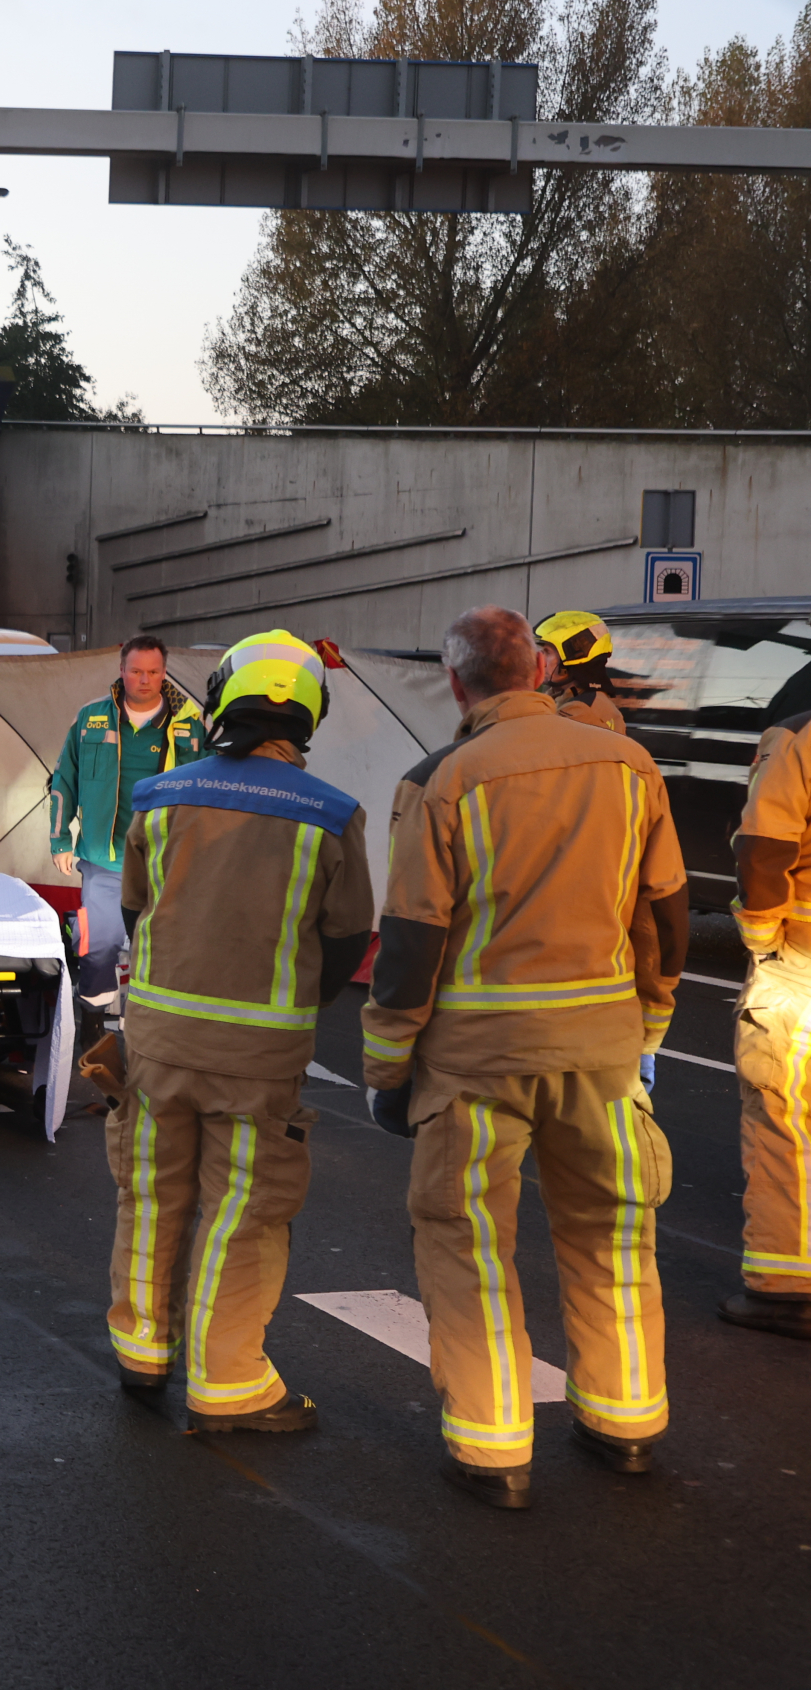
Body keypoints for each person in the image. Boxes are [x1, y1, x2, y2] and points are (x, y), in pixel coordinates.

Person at [362, 606, 689, 1510]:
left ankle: (495, 1446)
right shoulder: (630, 767)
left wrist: (389, 1070)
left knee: (468, 1246)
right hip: (601, 1050)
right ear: (540, 672)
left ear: (459, 683)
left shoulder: (446, 781)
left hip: (476, 1061)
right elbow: (663, 915)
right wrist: (649, 1026)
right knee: (614, 1234)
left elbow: (412, 948)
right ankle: (625, 1423)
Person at [105, 631, 374, 1432]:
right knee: (241, 1209)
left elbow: (134, 909)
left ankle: (141, 1350)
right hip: (259, 1056)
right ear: (308, 715)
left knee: (150, 1195)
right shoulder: (329, 814)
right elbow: (348, 938)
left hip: (155, 1041)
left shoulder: (159, 796)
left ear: (221, 699)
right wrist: (292, 1003)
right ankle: (228, 1383)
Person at [537, 609, 675, 1087]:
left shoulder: (582, 716)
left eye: (548, 654)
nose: (540, 662)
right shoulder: (585, 708)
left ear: (573, 660)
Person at [47, 634, 208, 1018]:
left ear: (164, 673)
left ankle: (149, 1026)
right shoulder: (91, 718)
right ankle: (93, 1018)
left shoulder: (192, 722)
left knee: (158, 948)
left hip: (165, 861)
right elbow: (63, 781)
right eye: (136, 671)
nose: (144, 679)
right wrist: (59, 840)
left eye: (153, 671)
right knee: (97, 945)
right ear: (122, 671)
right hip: (104, 858)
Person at [719, 713, 811, 1339]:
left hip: (801, 961)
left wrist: (761, 942)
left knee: (781, 1116)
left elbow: (765, 846)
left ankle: (783, 1287)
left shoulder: (800, 740)